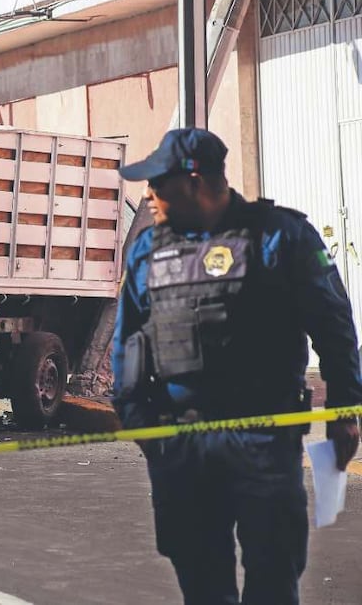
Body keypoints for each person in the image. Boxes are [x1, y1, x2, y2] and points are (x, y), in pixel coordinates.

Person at [111, 128, 362, 604]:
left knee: (273, 579)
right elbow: (126, 348)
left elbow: (335, 328)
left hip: (264, 437)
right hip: (183, 443)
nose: (148, 194)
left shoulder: (281, 236)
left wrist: (345, 411)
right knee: (202, 586)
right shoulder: (148, 251)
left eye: (158, 183)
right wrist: (143, 428)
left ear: (195, 181)